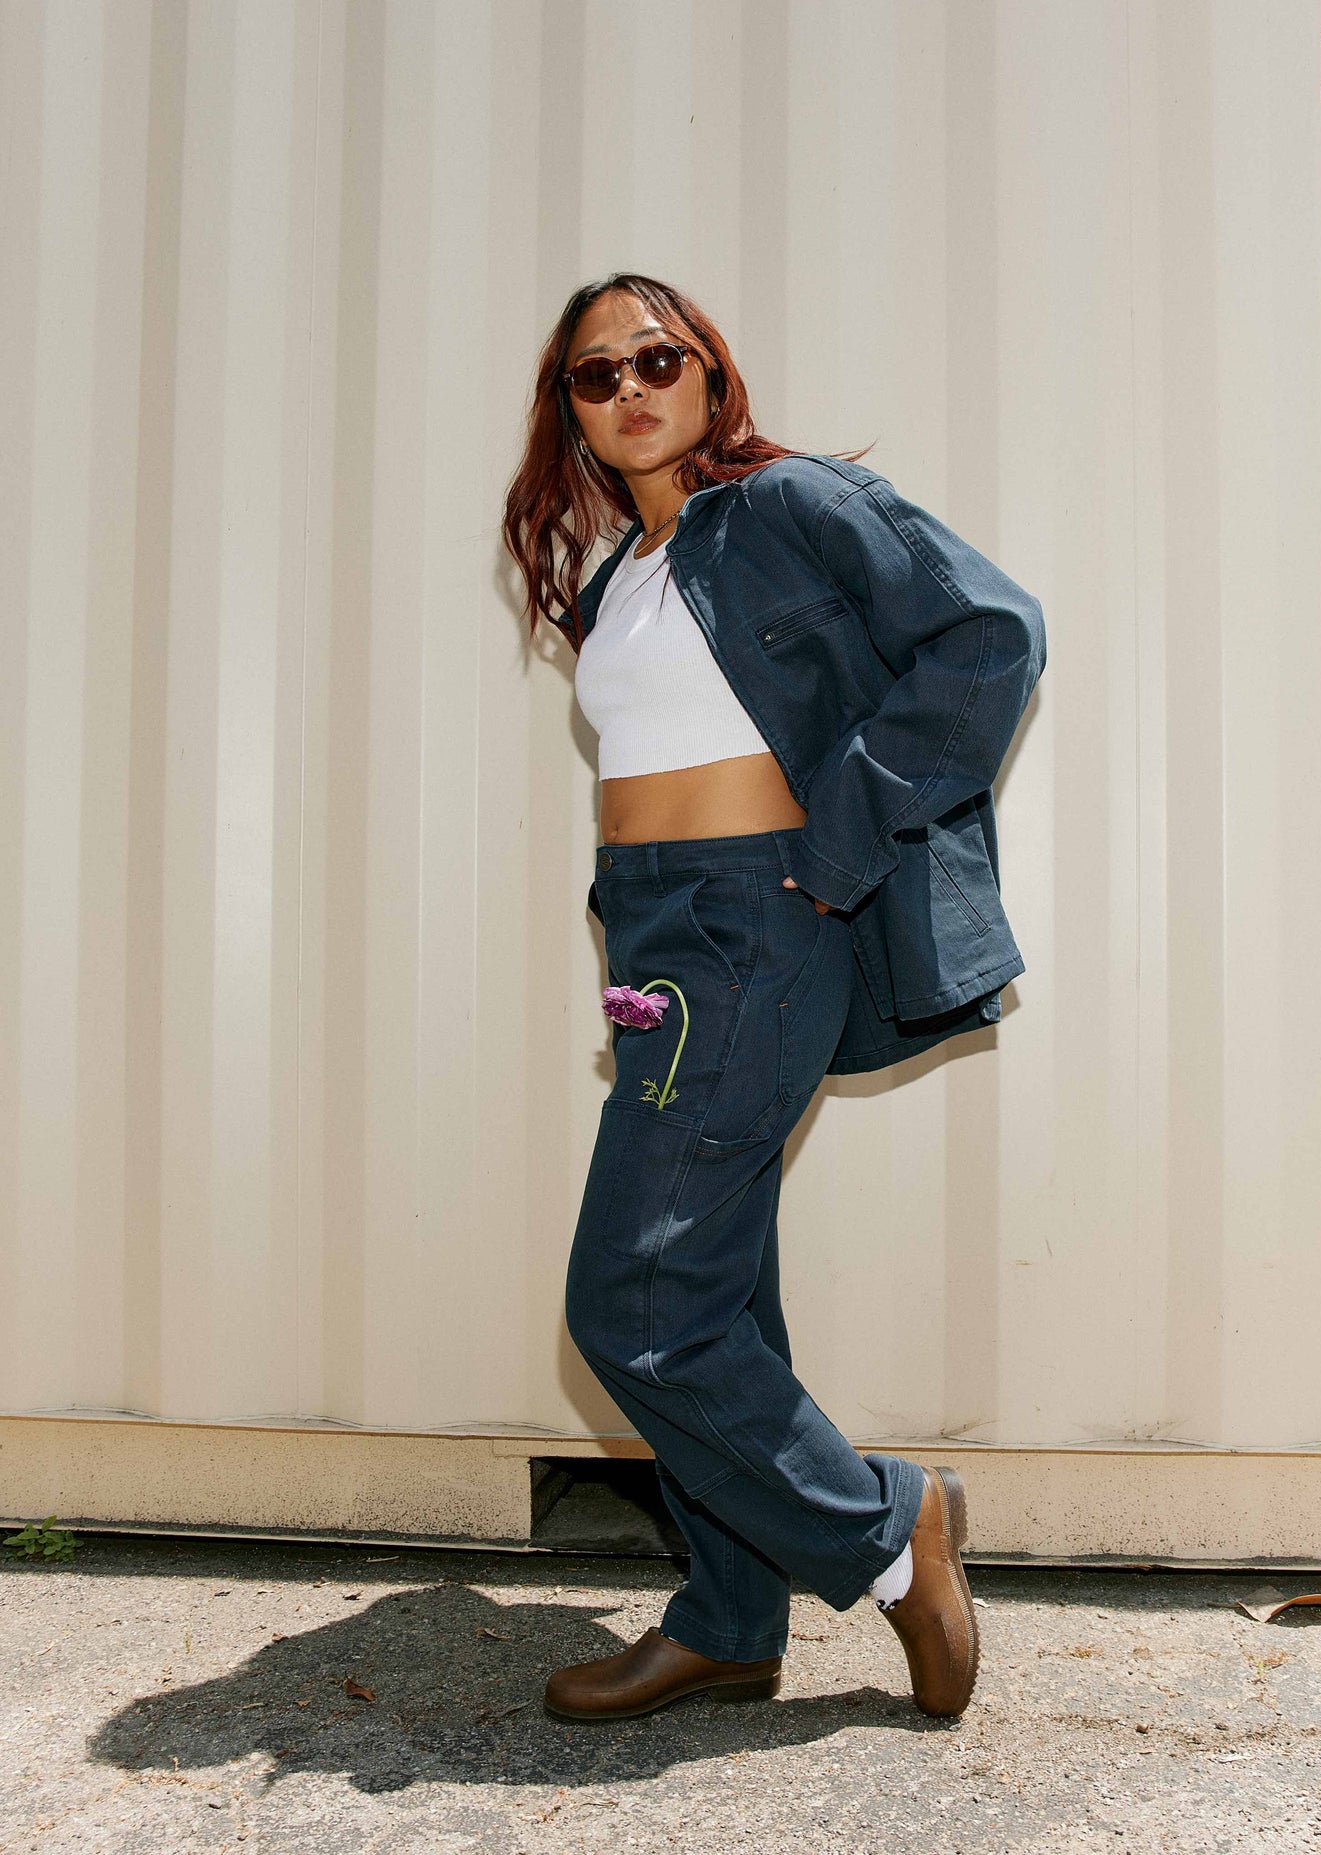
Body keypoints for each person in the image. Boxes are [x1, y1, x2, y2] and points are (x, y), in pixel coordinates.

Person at [501, 272, 1045, 1723]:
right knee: (715, 1284)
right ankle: (733, 1619)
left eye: (655, 357)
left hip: (755, 915)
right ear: (570, 410)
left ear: (710, 369)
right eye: (594, 376)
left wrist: (842, 838)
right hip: (659, 933)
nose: (629, 390)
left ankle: (885, 1523)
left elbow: (988, 632)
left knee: (635, 1302)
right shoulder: (625, 570)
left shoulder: (793, 504)